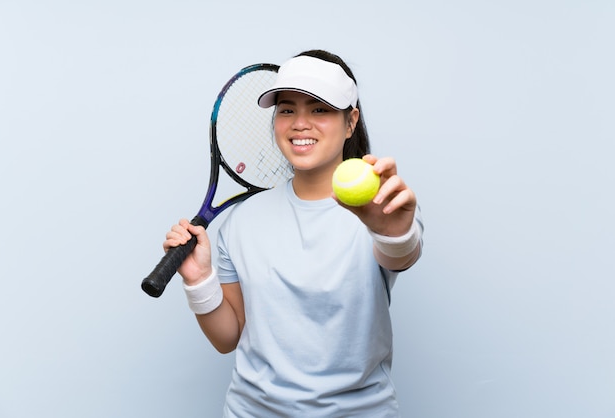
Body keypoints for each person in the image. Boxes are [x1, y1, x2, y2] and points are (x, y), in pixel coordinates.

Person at [164, 49, 424, 417]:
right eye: (287, 109)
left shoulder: (384, 209)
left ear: (350, 122)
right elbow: (227, 338)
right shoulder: (241, 220)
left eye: (319, 109)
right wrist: (198, 280)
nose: (300, 122)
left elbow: (402, 253)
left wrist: (393, 233)